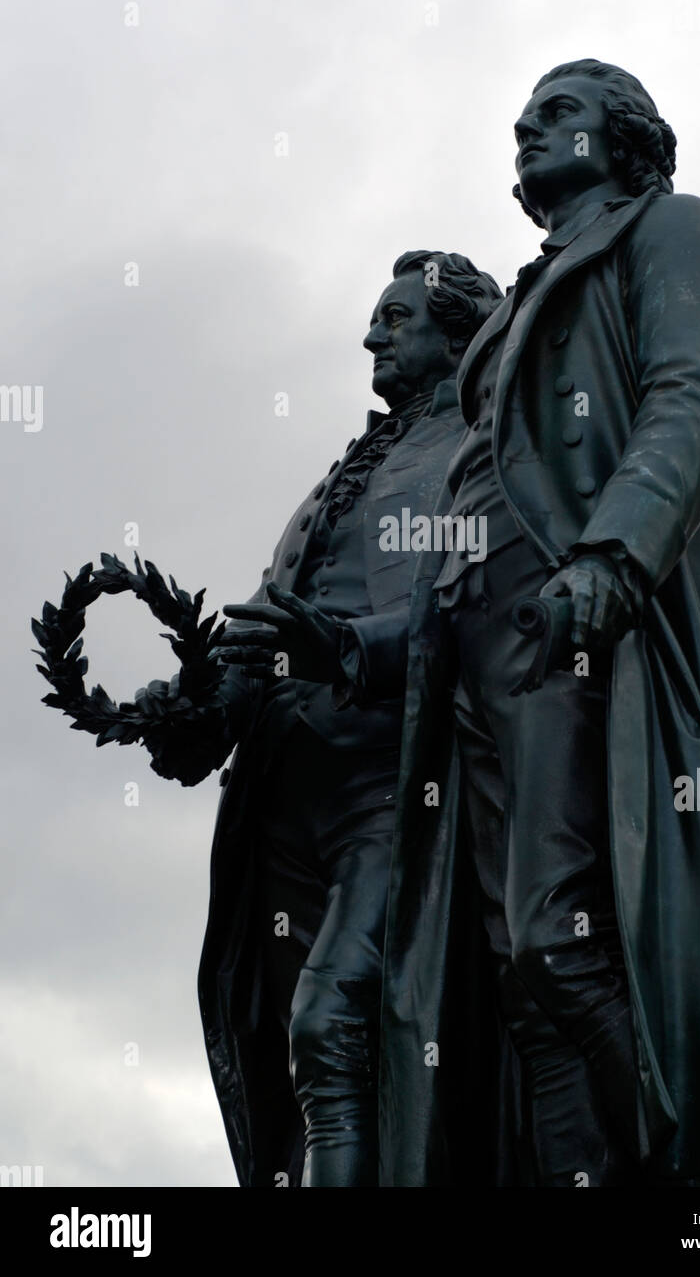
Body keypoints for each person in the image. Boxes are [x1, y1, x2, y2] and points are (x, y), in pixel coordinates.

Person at [373, 61, 700, 1187]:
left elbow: (693, 398)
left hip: (581, 626)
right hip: (477, 651)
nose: (526, 129)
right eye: (520, 120)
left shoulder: (671, 229)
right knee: (511, 972)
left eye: (558, 111)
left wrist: (612, 556)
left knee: (565, 941)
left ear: (624, 135)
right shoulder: (516, 306)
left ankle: (689, 1176)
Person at [143, 250, 502, 1186]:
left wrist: (346, 649)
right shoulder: (335, 478)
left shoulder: (485, 446)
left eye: (397, 318)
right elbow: (264, 640)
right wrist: (195, 718)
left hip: (395, 786)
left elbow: (480, 611)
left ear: (457, 332)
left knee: (333, 1023)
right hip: (284, 806)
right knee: (291, 1059)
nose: (372, 335)